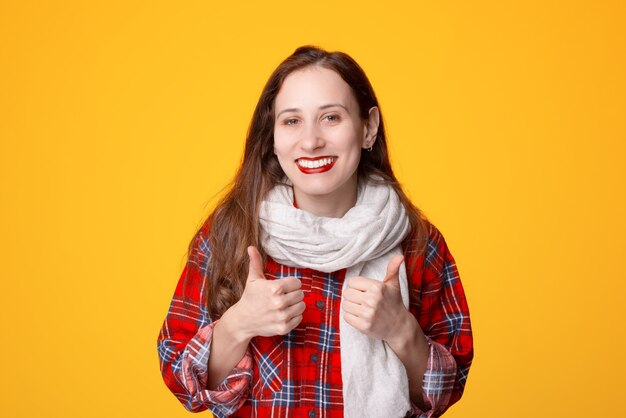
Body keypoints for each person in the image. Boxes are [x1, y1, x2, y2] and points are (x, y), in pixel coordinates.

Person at [157, 46, 473, 418]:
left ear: (368, 128)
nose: (310, 142)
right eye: (292, 121)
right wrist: (239, 324)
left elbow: (447, 391)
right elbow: (181, 378)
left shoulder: (417, 242)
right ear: (272, 136)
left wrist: (401, 331)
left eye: (331, 118)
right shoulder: (231, 232)